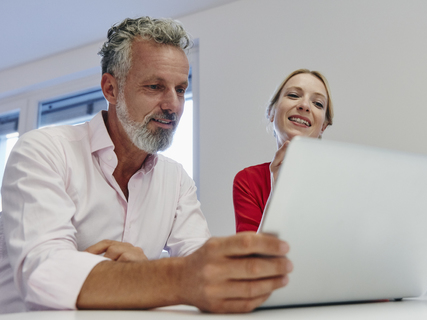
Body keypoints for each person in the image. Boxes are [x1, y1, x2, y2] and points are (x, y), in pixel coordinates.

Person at [0, 17, 292, 314]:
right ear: (111, 89)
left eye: (180, 89)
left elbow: (202, 267)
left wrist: (150, 273)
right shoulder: (44, 151)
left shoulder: (175, 179)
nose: (174, 105)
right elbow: (43, 275)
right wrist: (167, 277)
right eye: (155, 86)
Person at [232, 69, 427, 291]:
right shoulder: (247, 181)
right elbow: (253, 268)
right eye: (294, 95)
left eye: (317, 104)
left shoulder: (348, 180)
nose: (304, 105)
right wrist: (278, 190)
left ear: (323, 125)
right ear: (271, 111)